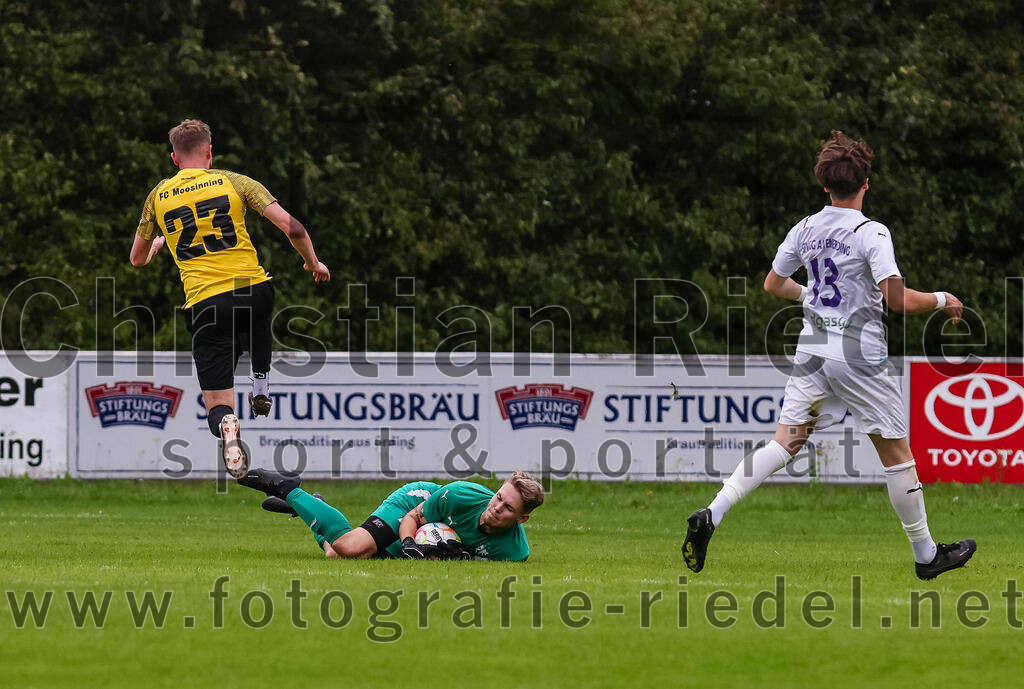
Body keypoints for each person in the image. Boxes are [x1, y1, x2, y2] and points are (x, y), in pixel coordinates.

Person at [682, 131, 976, 581]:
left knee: (783, 444)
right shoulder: (871, 232)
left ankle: (712, 512)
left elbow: (773, 285)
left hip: (814, 347)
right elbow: (895, 299)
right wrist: (941, 299)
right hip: (860, 354)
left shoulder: (805, 227)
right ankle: (925, 555)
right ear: (866, 184)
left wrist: (813, 300)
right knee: (897, 454)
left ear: (825, 186)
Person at [129, 119, 330, 478]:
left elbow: (136, 258)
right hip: (253, 289)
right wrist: (312, 262)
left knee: (218, 405)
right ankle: (262, 383)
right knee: (257, 313)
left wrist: (159, 244)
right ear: (209, 151)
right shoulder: (234, 181)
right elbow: (293, 227)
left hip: (206, 303)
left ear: (174, 158)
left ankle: (229, 426)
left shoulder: (158, 196)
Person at [238, 468, 544, 561]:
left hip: (428, 528)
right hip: (415, 506)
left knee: (335, 555)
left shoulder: (514, 552)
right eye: (499, 497)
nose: (496, 507)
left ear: (521, 519)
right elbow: (414, 518)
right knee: (351, 547)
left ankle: (309, 505)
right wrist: (410, 543)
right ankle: (287, 488)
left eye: (507, 508)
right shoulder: (461, 495)